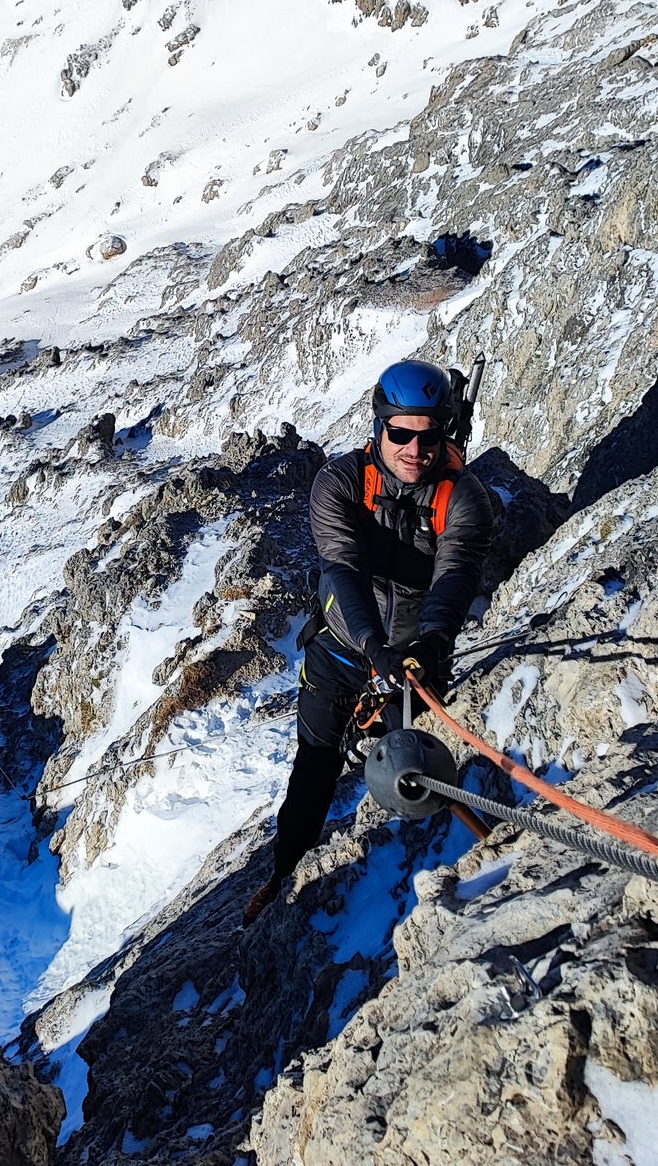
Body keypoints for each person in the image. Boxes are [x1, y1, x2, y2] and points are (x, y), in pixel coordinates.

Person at [244, 359, 496, 925]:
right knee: (314, 766)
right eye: (400, 433)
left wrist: (429, 646)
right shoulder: (341, 483)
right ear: (378, 427)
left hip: (412, 661)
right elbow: (342, 570)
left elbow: (455, 576)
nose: (414, 448)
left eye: (429, 435)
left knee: (412, 770)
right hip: (342, 654)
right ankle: (286, 873)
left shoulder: (465, 500)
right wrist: (373, 647)